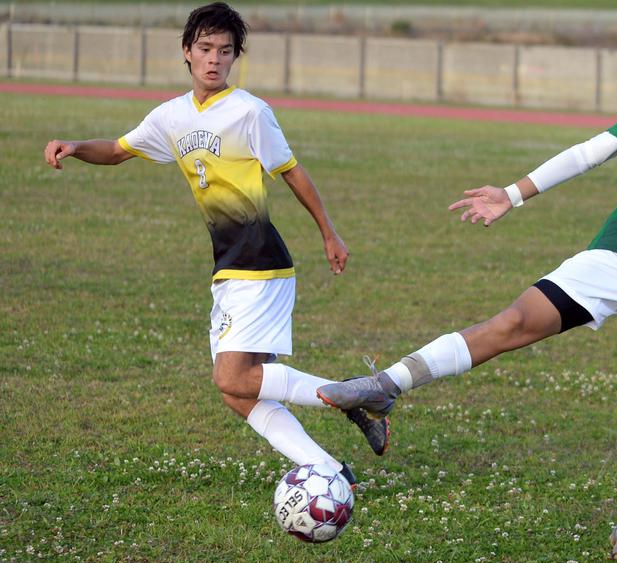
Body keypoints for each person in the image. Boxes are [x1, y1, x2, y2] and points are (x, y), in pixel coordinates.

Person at [316, 13, 617, 563]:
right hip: (616, 259)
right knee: (511, 324)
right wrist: (512, 193)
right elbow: (588, 152)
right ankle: (385, 386)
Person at [43, 2, 389, 488]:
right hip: (228, 269)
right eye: (205, 48)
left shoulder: (250, 112)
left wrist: (328, 232)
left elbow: (292, 173)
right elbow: (120, 151)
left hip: (260, 264)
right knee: (240, 393)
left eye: (225, 52)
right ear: (187, 52)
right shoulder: (171, 116)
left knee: (231, 377)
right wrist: (76, 147)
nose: (214, 59)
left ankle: (360, 394)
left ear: (233, 59)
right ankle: (330, 470)